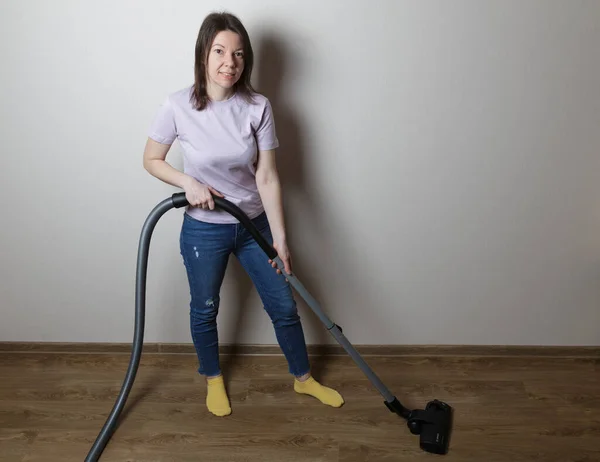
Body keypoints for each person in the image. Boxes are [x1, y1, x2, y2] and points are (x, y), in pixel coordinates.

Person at [142, 11, 343, 417]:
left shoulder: (258, 106)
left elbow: (267, 176)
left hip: (254, 226)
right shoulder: (178, 105)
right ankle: (213, 379)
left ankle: (303, 379)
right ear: (203, 54)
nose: (228, 63)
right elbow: (151, 159)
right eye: (219, 51)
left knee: (283, 306)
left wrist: (281, 239)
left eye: (237, 54)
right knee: (205, 308)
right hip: (204, 231)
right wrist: (187, 183)